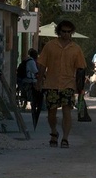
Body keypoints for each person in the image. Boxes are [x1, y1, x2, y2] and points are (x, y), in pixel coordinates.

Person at [37, 19, 86, 148]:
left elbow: (81, 69)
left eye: (69, 32)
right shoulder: (49, 46)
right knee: (51, 112)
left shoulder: (76, 49)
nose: (66, 34)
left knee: (67, 111)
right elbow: (42, 65)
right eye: (63, 31)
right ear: (59, 32)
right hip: (51, 84)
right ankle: (54, 132)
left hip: (68, 84)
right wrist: (39, 82)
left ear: (72, 33)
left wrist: (81, 88)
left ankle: (65, 138)